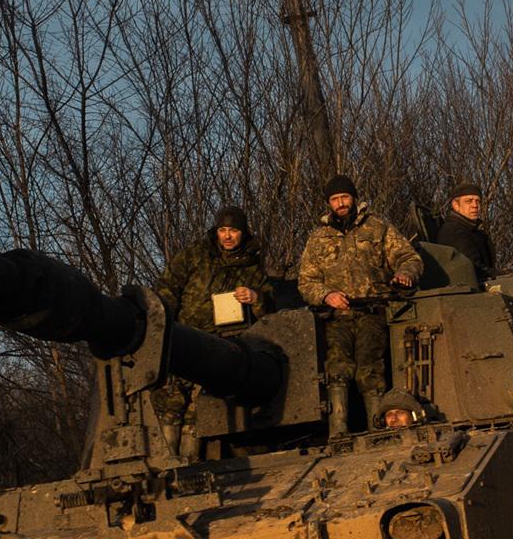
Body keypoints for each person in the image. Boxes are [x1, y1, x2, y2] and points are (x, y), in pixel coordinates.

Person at [297, 174, 423, 438]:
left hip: (372, 310)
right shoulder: (319, 238)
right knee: (336, 371)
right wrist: (326, 294)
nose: (341, 203)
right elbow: (306, 281)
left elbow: (409, 257)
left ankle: (378, 431)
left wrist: (405, 274)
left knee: (371, 372)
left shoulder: (377, 228)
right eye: (334, 199)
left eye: (345, 197)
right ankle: (338, 435)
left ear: (354, 198)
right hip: (337, 316)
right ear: (328, 204)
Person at [152, 206, 270, 459]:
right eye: (223, 230)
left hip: (218, 346)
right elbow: (168, 287)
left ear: (243, 233)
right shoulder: (195, 255)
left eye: (234, 230)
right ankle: (167, 461)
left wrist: (255, 297)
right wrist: (164, 325)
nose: (227, 236)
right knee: (169, 405)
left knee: (199, 410)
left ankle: (189, 462)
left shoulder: (251, 267)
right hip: (182, 338)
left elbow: (268, 305)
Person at [433, 180, 495, 280]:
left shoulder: (475, 232)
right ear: (456, 205)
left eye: (477, 201)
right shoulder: (453, 232)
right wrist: (504, 274)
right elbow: (474, 268)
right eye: (468, 201)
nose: (475, 205)